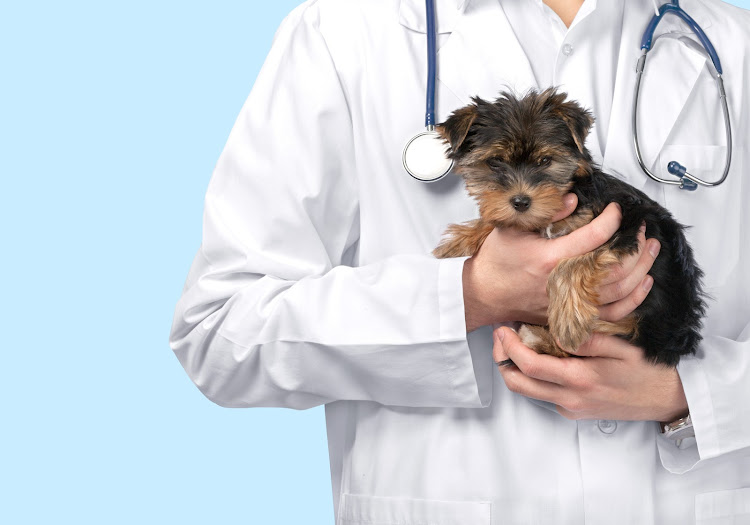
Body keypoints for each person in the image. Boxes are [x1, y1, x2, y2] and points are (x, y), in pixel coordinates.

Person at [169, 0, 750, 523]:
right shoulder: (340, 33)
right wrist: (470, 296)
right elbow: (220, 332)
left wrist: (690, 395)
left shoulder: (737, 41)